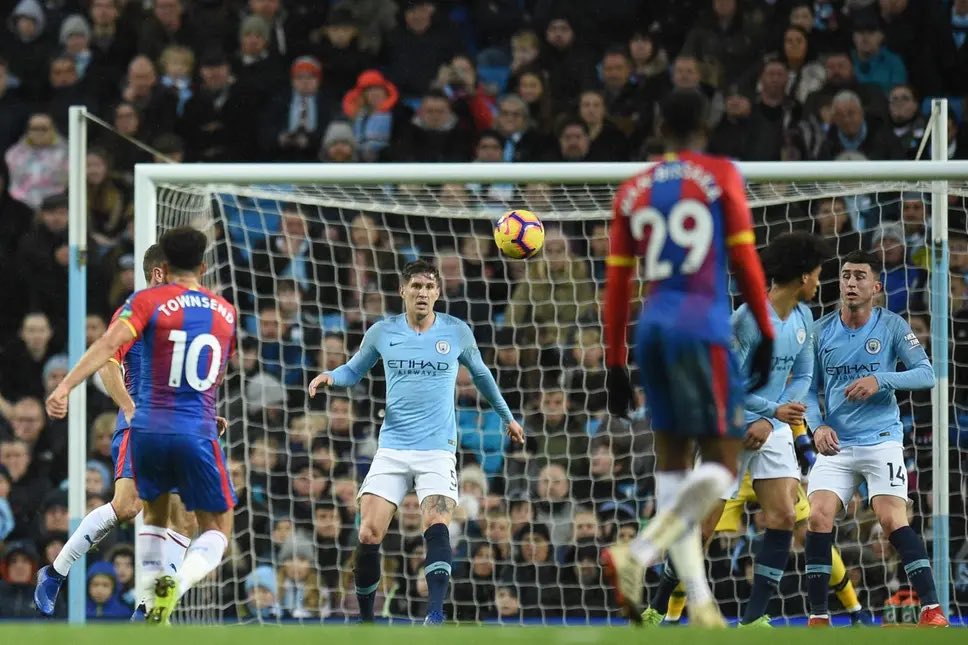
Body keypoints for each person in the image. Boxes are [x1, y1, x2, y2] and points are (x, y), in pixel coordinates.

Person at [603, 88, 775, 627]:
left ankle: (700, 604)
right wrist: (766, 327)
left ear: (659, 126)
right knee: (722, 466)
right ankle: (640, 550)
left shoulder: (632, 189)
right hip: (702, 328)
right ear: (706, 123)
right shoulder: (721, 175)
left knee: (674, 469)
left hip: (653, 330)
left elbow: (617, 285)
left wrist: (614, 361)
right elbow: (744, 259)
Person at [308, 259, 524, 625]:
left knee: (436, 523)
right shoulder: (382, 331)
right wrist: (331, 376)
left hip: (437, 450)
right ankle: (366, 623)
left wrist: (508, 417)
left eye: (428, 287)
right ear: (403, 291)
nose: (422, 293)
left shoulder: (456, 332)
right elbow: (354, 370)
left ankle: (434, 613)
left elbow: (482, 375)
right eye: (416, 286)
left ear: (437, 292)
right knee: (368, 531)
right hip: (392, 448)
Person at [44, 227, 238, 626]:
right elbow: (108, 361)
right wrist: (129, 407)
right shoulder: (139, 308)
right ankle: (56, 572)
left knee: (184, 519)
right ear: (159, 273)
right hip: (142, 421)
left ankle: (151, 609)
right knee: (128, 507)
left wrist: (204, 414)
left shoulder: (195, 313)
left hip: (183, 426)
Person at [804, 249, 947, 627]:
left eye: (860, 276)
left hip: (881, 438)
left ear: (876, 287)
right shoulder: (820, 331)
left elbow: (925, 374)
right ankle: (818, 616)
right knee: (817, 516)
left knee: (890, 517)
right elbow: (807, 389)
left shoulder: (893, 326)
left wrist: (880, 379)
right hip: (836, 443)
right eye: (846, 275)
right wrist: (817, 426)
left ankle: (932, 609)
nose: (851, 283)